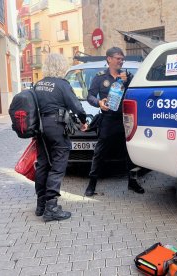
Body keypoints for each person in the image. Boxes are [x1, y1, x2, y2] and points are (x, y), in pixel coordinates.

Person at [34, 53, 88, 221]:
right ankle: (51, 207)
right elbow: (77, 107)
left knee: (43, 164)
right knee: (58, 165)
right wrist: (83, 121)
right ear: (61, 66)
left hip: (40, 128)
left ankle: (41, 204)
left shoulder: (38, 84)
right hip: (56, 127)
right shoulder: (62, 85)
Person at [85, 47, 144, 196]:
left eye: (122, 59)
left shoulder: (127, 76)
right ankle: (92, 184)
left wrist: (128, 81)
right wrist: (99, 103)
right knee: (99, 153)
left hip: (125, 120)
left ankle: (132, 183)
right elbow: (90, 96)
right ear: (109, 59)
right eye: (118, 58)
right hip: (108, 120)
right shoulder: (99, 78)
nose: (121, 61)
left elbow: (137, 93)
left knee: (130, 152)